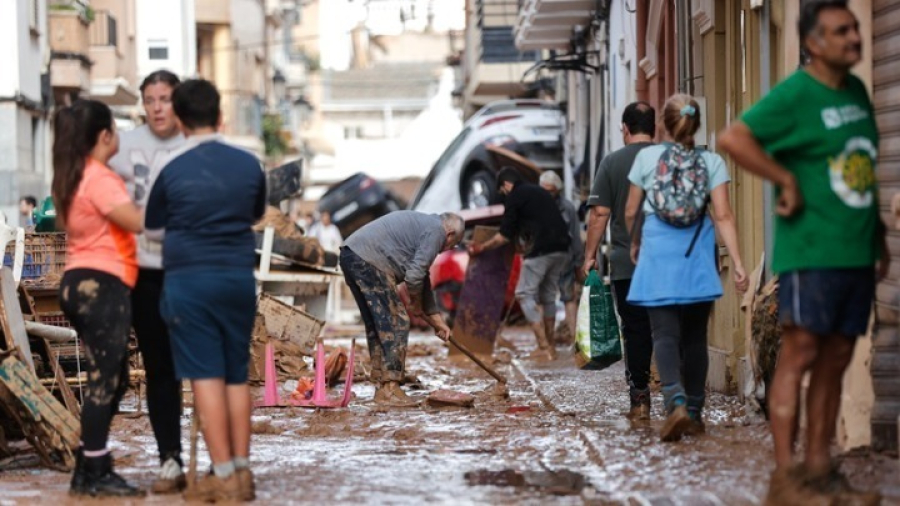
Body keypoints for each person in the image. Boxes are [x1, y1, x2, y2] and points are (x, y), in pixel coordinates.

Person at [718, 1, 885, 503]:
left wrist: (875, 235)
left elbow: (859, 168)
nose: (854, 38)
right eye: (841, 31)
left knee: (837, 357)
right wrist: (783, 178)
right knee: (800, 353)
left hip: (852, 249)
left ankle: (819, 471)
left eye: (855, 29)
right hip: (809, 250)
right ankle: (786, 477)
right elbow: (734, 137)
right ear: (812, 44)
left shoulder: (855, 91)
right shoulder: (795, 93)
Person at [146, 79, 266, 502]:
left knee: (205, 378)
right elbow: (254, 214)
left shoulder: (170, 167)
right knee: (236, 377)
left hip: (189, 282)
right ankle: (244, 472)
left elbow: (153, 227)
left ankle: (225, 475)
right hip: (236, 279)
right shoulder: (250, 164)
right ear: (220, 117)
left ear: (178, 120)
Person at [624, 94, 748, 443]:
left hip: (658, 252)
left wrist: (635, 242)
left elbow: (632, 210)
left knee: (664, 334)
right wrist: (738, 263)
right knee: (695, 337)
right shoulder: (711, 162)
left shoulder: (647, 158)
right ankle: (693, 411)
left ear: (663, 124)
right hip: (697, 254)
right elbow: (723, 215)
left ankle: (674, 400)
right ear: (696, 124)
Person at [52, 100, 144, 497]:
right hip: (100, 286)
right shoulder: (100, 177)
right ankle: (97, 471)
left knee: (111, 378)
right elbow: (137, 223)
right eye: (116, 128)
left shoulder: (75, 175)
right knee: (104, 381)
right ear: (105, 136)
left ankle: (87, 468)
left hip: (81, 283)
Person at [108, 69, 187, 494]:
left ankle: (226, 463)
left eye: (165, 98)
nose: (158, 107)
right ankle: (170, 459)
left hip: (186, 269)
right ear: (143, 104)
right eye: (150, 99)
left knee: (199, 366)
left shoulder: (192, 144)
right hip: (140, 271)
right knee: (159, 367)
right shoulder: (125, 145)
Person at [340, 211, 463, 407]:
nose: (445, 250)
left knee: (378, 325)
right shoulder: (436, 231)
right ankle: (390, 387)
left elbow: (421, 277)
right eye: (451, 246)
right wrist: (415, 304)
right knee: (397, 320)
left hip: (351, 255)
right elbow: (414, 277)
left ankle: (382, 384)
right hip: (369, 259)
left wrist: (436, 320)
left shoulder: (425, 226)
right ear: (449, 234)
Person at [583, 101, 657, 420]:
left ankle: (640, 398)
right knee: (670, 327)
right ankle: (684, 399)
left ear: (625, 129)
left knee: (636, 329)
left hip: (628, 264)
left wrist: (589, 257)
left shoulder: (612, 163)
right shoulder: (669, 158)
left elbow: (600, 214)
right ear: (654, 129)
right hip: (671, 262)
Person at [469, 168, 570, 360]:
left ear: (506, 185)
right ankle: (551, 348)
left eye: (503, 191)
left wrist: (482, 247)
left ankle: (543, 346)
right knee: (548, 297)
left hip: (542, 249)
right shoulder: (538, 192)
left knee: (523, 294)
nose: (504, 195)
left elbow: (504, 235)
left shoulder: (515, 196)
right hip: (562, 249)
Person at [538, 171, 583, 343]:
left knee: (568, 297)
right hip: (542, 258)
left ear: (558, 190)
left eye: (551, 191)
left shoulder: (568, 208)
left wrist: (578, 262)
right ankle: (546, 340)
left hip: (565, 259)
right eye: (544, 190)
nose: (547, 194)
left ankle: (575, 338)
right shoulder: (536, 206)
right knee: (544, 298)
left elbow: (576, 238)